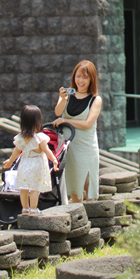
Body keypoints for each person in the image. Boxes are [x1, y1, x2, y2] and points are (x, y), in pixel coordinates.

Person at [53, 60, 102, 203]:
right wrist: (62, 99)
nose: (80, 81)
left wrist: (65, 121)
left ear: (91, 79)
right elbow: (58, 112)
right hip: (69, 147)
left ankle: (93, 213)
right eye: (78, 76)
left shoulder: (95, 99)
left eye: (85, 77)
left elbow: (87, 124)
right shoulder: (69, 94)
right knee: (74, 186)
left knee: (88, 185)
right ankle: (78, 214)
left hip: (86, 147)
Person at [2, 104, 59, 215]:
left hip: (24, 165)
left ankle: (25, 208)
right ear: (37, 121)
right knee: (34, 188)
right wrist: (54, 160)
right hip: (37, 165)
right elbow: (47, 150)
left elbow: (16, 151)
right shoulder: (40, 137)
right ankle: (33, 209)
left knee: (24, 188)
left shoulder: (20, 138)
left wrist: (10, 161)